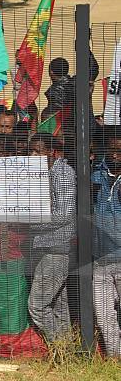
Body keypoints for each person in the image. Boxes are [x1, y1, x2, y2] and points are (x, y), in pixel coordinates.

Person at [28, 133, 76, 342]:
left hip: (57, 246)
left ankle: (59, 345)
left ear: (52, 152)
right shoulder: (42, 172)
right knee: (58, 303)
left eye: (38, 151)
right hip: (47, 245)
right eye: (32, 150)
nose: (33, 154)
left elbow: (65, 214)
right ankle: (66, 350)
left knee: (37, 305)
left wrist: (31, 222)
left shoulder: (62, 174)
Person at [92, 125, 121, 357]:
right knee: (104, 315)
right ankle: (114, 357)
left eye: (120, 151)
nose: (115, 155)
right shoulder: (96, 175)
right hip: (100, 261)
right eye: (112, 150)